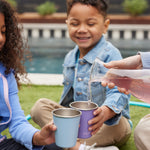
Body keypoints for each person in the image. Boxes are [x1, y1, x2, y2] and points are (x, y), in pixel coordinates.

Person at [30, 0, 132, 150]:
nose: (82, 29)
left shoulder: (111, 55)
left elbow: (120, 94)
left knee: (120, 125)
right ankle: (77, 146)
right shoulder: (70, 57)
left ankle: (66, 142)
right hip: (76, 125)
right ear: (67, 24)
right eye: (75, 23)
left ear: (105, 26)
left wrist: (105, 112)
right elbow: (67, 101)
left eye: (90, 24)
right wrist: (65, 119)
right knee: (39, 106)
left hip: (106, 124)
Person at [0, 0, 59, 149]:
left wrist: (38, 137)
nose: (1, 38)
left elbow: (17, 122)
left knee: (54, 146)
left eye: (2, 31)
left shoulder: (6, 72)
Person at [101, 52, 150, 150]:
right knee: (143, 130)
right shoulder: (71, 57)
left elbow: (117, 94)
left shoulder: (109, 53)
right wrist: (141, 61)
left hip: (113, 123)